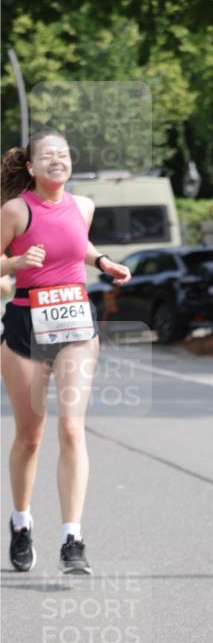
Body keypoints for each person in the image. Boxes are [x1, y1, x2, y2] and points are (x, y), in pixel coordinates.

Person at [1, 130, 131, 574]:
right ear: (32, 167)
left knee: (73, 431)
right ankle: (21, 522)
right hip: (24, 327)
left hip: (76, 324)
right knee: (31, 435)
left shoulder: (84, 206)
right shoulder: (16, 211)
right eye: (47, 155)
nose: (58, 160)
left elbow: (79, 245)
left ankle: (72, 538)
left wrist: (102, 262)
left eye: (64, 154)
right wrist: (15, 264)